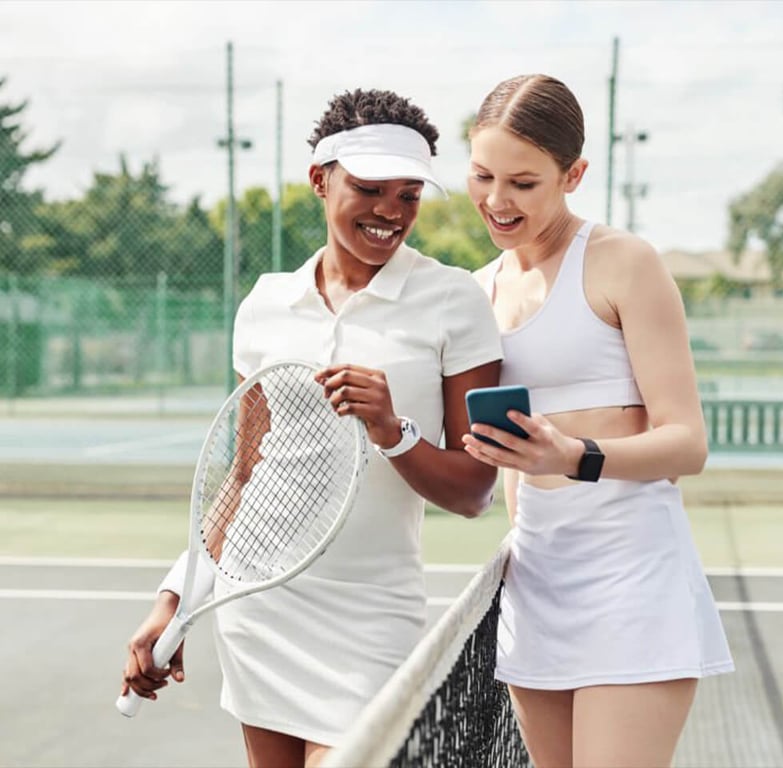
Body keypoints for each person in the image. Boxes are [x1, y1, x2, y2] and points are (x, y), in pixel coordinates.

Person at [120, 88, 503, 768]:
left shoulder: (454, 300)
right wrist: (172, 602)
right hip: (259, 611)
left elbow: (475, 491)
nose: (392, 211)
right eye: (369, 188)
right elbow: (244, 477)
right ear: (320, 182)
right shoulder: (266, 305)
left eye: (409, 194)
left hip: (375, 616)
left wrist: (393, 430)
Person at [461, 74, 734, 768]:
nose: (497, 200)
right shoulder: (475, 292)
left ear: (573, 174)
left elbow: (687, 443)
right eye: (483, 175)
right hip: (535, 584)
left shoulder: (623, 262)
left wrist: (575, 455)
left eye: (523, 182)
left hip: (633, 581)